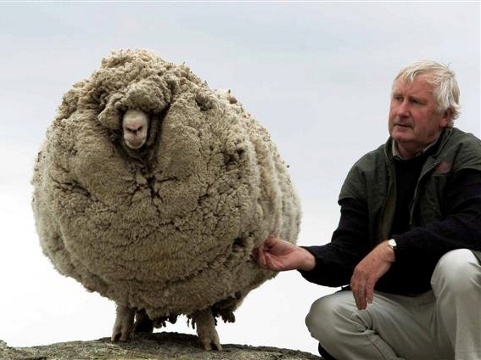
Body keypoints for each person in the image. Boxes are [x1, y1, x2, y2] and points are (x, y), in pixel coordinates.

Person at [254, 60, 481, 360]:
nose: (401, 111)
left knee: (458, 265)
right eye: (397, 98)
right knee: (326, 315)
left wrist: (392, 248)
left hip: (464, 316)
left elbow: (473, 225)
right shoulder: (367, 171)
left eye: (415, 102)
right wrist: (307, 258)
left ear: (445, 116)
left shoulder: (468, 154)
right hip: (403, 315)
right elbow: (351, 252)